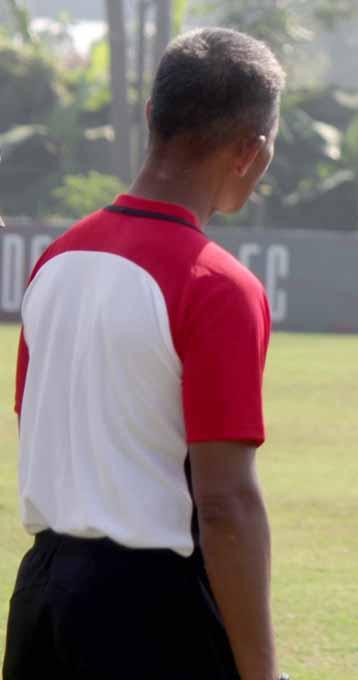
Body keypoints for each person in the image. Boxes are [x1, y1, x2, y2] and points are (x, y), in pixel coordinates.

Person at [3, 28, 285, 680]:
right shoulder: (217, 286)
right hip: (149, 609)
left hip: (41, 599)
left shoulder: (57, 259)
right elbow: (225, 505)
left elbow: (38, 423)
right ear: (251, 152)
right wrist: (263, 672)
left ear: (153, 116)